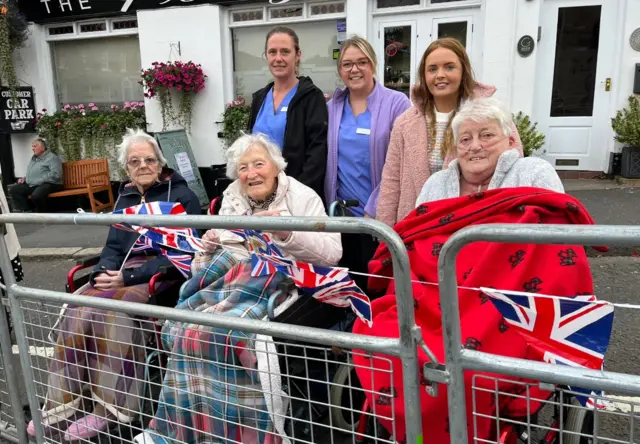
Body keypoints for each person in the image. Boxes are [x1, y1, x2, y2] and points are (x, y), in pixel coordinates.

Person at [136, 133, 343, 444]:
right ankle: (184, 430)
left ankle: (231, 434)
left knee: (220, 334)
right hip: (228, 278)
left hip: (277, 277)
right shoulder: (233, 194)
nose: (251, 173)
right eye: (243, 167)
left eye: (259, 164)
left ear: (276, 166)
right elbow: (218, 247)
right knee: (182, 328)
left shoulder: (303, 197)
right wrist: (209, 245)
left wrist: (286, 234)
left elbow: (332, 253)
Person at [27, 129, 201, 441]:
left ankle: (110, 408)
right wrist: (103, 271)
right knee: (80, 305)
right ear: (127, 168)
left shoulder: (182, 197)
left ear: (161, 164)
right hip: (122, 271)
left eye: (149, 159)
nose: (143, 165)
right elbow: (113, 248)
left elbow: (188, 253)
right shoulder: (126, 196)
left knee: (112, 311)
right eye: (135, 161)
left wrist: (130, 277)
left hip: (163, 275)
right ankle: (63, 404)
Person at [376, 37, 523, 227]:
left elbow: (513, 162)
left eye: (449, 67)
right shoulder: (405, 123)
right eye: (432, 69)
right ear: (424, 75)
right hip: (418, 228)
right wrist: (386, 234)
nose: (440, 75)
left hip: (475, 226)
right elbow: (391, 180)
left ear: (463, 71)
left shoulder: (491, 115)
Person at [325, 35, 410, 289]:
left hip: (378, 217)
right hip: (341, 218)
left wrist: (374, 207)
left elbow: (403, 162)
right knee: (347, 288)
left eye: (362, 62)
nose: (355, 69)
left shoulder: (397, 104)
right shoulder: (332, 107)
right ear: (340, 70)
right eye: (347, 64)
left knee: (377, 287)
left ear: (373, 64)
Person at [416, 97, 563, 204]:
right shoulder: (436, 183)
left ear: (510, 142)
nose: (474, 146)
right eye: (465, 139)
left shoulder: (534, 173)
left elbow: (557, 234)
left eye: (486, 135)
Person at [248, 26, 328, 199]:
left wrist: (295, 195)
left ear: (298, 55)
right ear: (266, 56)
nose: (278, 58)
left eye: (285, 51)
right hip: (260, 195)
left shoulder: (311, 97)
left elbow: (317, 155)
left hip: (296, 197)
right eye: (272, 52)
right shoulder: (260, 98)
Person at [10, 138, 63, 212]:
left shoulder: (52, 158)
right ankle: (27, 212)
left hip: (50, 183)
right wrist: (25, 179)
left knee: (37, 195)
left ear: (42, 148)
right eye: (32, 146)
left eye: (35, 146)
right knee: (15, 190)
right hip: (35, 184)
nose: (33, 148)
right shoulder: (34, 159)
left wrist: (41, 180)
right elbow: (34, 173)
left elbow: (56, 175)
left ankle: (42, 214)